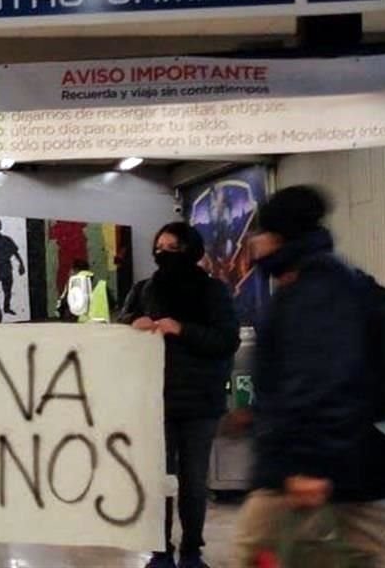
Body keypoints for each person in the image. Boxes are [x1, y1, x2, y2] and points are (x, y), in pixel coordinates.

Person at [231, 186, 385, 566]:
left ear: (276, 238)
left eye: (259, 234)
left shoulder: (315, 293)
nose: (253, 245)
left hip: (321, 469)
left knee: (253, 551)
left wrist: (307, 466)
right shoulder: (331, 281)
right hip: (354, 464)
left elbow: (322, 381)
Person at [118, 222, 239, 568]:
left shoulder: (212, 292)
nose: (163, 253)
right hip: (154, 401)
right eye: (159, 246)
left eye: (173, 247)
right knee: (158, 480)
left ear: (190, 250)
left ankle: (190, 549)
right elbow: (122, 321)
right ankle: (159, 549)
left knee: (193, 482)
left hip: (200, 402)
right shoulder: (144, 289)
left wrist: (182, 329)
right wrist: (131, 323)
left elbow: (225, 339)